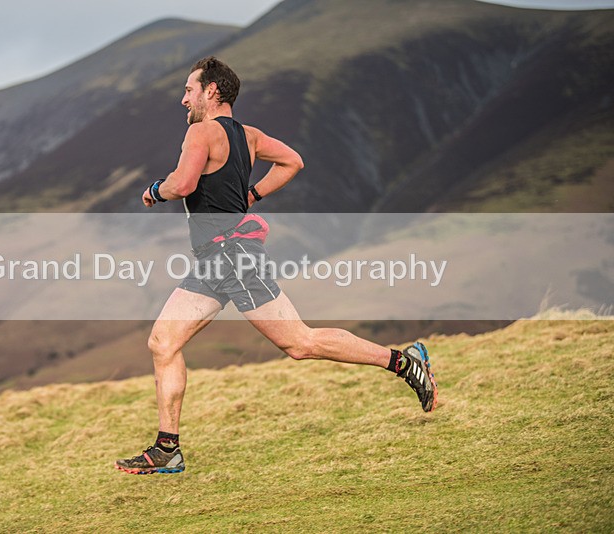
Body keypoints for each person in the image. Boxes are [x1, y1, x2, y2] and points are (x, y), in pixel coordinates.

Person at [115, 56, 437, 475]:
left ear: (211, 91)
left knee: (300, 343)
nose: (184, 99)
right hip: (214, 260)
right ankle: (167, 450)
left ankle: (405, 362)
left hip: (232, 258)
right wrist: (253, 195)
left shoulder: (200, 133)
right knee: (163, 342)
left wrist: (155, 191)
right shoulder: (249, 136)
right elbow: (292, 161)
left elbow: (183, 184)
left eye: (189, 90)